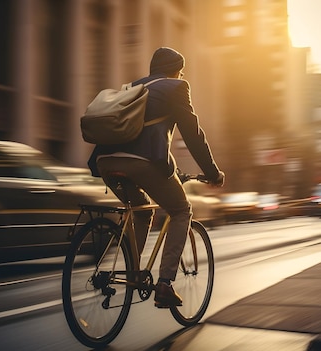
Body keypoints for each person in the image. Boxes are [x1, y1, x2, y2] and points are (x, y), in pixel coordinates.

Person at [87, 47, 225, 307]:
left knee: (141, 211)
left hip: (105, 161)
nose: (181, 75)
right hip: (143, 162)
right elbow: (193, 134)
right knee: (181, 210)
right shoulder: (176, 87)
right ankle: (164, 284)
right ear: (176, 71)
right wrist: (212, 172)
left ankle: (132, 272)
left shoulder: (132, 88)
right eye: (180, 72)